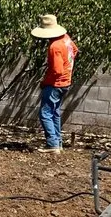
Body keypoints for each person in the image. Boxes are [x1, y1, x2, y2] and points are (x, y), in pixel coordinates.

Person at [31, 14, 78, 155]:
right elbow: (74, 51)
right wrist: (68, 64)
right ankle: (58, 143)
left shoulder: (55, 46)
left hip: (55, 84)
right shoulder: (66, 39)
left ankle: (52, 144)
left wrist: (45, 82)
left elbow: (57, 70)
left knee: (45, 114)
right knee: (55, 113)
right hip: (66, 82)